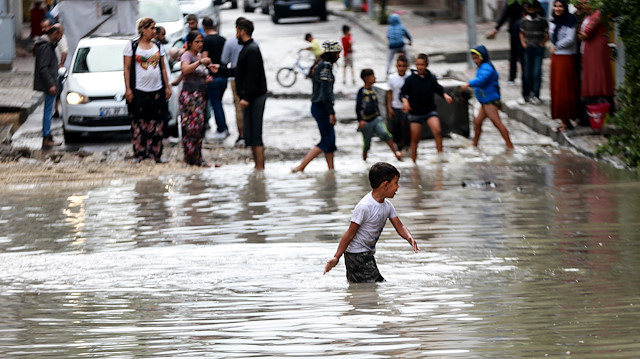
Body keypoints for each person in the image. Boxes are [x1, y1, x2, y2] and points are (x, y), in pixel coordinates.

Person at [323, 162, 419, 283]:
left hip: (366, 254)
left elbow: (399, 226)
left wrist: (409, 237)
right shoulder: (364, 206)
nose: (398, 187)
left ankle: (357, 299)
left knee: (363, 286)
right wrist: (336, 257)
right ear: (385, 184)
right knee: (378, 284)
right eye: (396, 183)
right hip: (356, 255)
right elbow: (350, 233)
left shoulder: (387, 206)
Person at [212, 18, 267, 170]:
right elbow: (239, 72)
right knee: (250, 135)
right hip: (251, 96)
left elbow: (252, 76)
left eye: (237, 31)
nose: (236, 34)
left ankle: (260, 169)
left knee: (256, 135)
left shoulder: (252, 50)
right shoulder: (247, 49)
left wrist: (246, 98)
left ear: (242, 31)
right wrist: (221, 70)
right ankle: (257, 169)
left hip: (255, 97)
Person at [124, 17, 172, 163]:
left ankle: (155, 153)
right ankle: (140, 153)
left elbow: (163, 67)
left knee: (157, 121)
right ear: (143, 30)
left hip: (156, 89)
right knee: (139, 121)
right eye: (151, 28)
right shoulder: (132, 46)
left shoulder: (157, 45)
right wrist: (128, 89)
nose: (154, 31)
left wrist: (167, 86)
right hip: (139, 89)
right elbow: (126, 68)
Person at [291, 40, 341, 173]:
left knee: (330, 141)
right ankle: (301, 167)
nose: (339, 56)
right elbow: (326, 93)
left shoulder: (320, 64)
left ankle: (331, 170)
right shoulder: (325, 67)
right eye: (337, 53)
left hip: (318, 106)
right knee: (326, 140)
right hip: (322, 107)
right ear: (333, 54)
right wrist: (331, 112)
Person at [400, 53, 453, 163]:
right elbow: (402, 93)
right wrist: (405, 101)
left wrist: (445, 95)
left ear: (427, 65)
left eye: (422, 65)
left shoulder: (431, 78)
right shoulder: (410, 79)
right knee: (415, 138)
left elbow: (439, 88)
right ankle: (414, 162)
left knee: (438, 131)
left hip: (429, 110)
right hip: (415, 113)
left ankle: (440, 156)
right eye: (418, 64)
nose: (420, 67)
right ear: (415, 65)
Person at [461, 45, 514, 150]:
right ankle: (475, 144)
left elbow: (481, 80)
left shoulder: (486, 68)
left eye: (476, 58)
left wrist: (468, 84)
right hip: (485, 101)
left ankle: (509, 145)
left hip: (489, 101)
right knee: (477, 122)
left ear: (482, 57)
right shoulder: (483, 67)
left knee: (497, 123)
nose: (475, 61)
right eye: (473, 59)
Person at [179, 31, 213, 166]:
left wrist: (207, 79)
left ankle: (197, 156)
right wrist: (199, 62)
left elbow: (198, 75)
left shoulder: (198, 56)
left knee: (199, 127)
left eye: (201, 42)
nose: (199, 44)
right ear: (190, 43)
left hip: (199, 95)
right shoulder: (187, 55)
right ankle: (190, 157)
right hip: (189, 95)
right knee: (190, 127)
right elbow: (185, 70)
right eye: (196, 42)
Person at [356, 68, 403, 161]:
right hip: (366, 121)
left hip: (376, 118)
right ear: (367, 78)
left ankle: (396, 153)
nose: (375, 78)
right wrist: (360, 120)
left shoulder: (375, 90)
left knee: (385, 134)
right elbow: (358, 107)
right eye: (373, 76)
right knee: (367, 142)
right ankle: (364, 157)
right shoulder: (361, 92)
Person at [577, 0, 614, 117]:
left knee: (597, 75)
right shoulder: (588, 15)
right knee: (590, 75)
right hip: (589, 48)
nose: (583, 5)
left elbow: (586, 33)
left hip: (596, 48)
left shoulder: (598, 13)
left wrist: (579, 33)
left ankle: (599, 104)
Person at [549, 0, 579, 132]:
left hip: (566, 57)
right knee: (556, 89)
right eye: (555, 6)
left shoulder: (570, 20)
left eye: (560, 6)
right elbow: (551, 37)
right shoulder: (553, 21)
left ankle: (568, 121)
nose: (557, 8)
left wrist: (557, 46)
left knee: (565, 89)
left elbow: (570, 39)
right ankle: (563, 121)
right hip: (556, 57)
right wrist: (554, 46)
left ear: (565, 7)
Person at [220, 17, 248, 147]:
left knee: (238, 107)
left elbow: (224, 60)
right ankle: (249, 134)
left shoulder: (230, 42)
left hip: (235, 79)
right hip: (248, 79)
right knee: (249, 107)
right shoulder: (255, 44)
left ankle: (242, 135)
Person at [33, 25, 63, 147]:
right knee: (48, 111)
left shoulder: (45, 44)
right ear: (55, 33)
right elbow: (43, 68)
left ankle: (47, 136)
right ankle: (46, 137)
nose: (61, 37)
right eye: (60, 35)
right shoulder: (46, 46)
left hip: (50, 83)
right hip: (49, 84)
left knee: (48, 110)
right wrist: (51, 84)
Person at [201, 16, 229, 141]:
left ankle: (221, 129)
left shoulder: (206, 40)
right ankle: (224, 127)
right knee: (219, 103)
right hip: (223, 75)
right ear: (213, 25)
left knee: (215, 104)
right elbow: (225, 58)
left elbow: (205, 59)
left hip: (212, 77)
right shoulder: (223, 39)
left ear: (203, 27)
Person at [486, 0, 525, 85]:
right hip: (517, 31)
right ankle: (515, 77)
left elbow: (504, 15)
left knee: (517, 54)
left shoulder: (522, 2)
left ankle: (515, 78)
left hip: (523, 31)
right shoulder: (512, 2)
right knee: (517, 54)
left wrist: (496, 29)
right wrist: (496, 29)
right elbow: (504, 15)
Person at [519, 0, 549, 105]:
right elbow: (521, 33)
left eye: (533, 8)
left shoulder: (542, 21)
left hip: (538, 48)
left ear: (538, 9)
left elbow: (547, 33)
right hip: (528, 49)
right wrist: (523, 43)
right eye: (529, 9)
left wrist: (543, 43)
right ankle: (528, 94)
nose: (531, 11)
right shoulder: (524, 21)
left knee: (536, 72)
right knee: (527, 73)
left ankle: (536, 94)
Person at [386, 55, 411, 151]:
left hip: (406, 107)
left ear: (407, 66)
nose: (401, 68)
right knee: (395, 128)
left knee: (405, 128)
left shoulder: (409, 78)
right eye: (399, 66)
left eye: (403, 66)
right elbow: (389, 93)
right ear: (396, 66)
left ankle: (407, 146)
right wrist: (389, 108)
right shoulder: (392, 78)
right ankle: (398, 147)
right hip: (395, 106)